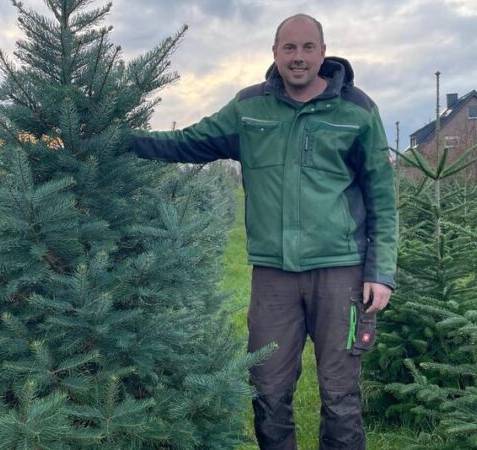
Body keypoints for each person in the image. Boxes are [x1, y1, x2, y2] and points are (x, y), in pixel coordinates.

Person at [129, 13, 396, 450]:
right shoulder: (249, 108)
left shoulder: (358, 111)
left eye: (308, 47)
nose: (298, 57)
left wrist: (380, 272)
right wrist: (122, 139)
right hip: (273, 277)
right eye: (289, 48)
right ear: (274, 53)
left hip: (341, 273)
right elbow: (187, 142)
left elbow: (382, 196)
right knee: (267, 391)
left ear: (323, 53)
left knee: (340, 395)